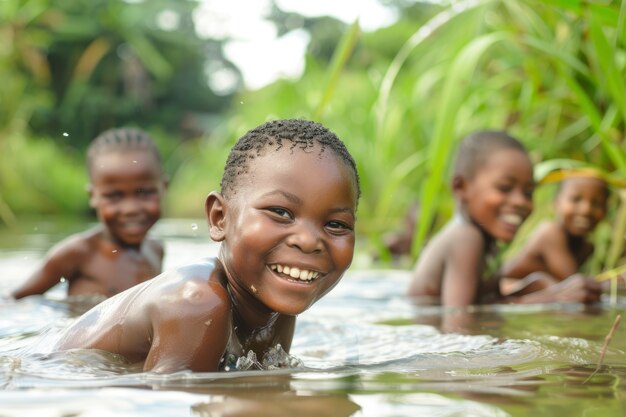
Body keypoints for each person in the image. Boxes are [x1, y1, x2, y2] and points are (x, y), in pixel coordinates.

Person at [53, 119, 360, 373]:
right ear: (219, 217)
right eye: (280, 213)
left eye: (336, 224)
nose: (308, 240)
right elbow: (160, 407)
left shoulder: (278, 312)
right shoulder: (197, 304)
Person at [406, 130, 602, 307]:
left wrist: (537, 288)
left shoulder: (486, 242)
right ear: (461, 188)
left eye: (528, 192)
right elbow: (459, 327)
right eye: (504, 188)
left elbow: (489, 304)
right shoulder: (466, 237)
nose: (520, 202)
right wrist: (555, 298)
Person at [10, 128, 168, 300]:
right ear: (93, 196)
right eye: (114, 196)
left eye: (144, 192)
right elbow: (16, 299)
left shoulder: (156, 249)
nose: (130, 209)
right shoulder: (78, 253)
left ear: (164, 188)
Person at [500, 171, 609, 294]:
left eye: (596, 203)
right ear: (556, 203)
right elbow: (575, 284)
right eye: (576, 199)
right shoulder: (550, 232)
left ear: (606, 210)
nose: (586, 210)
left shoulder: (587, 247)